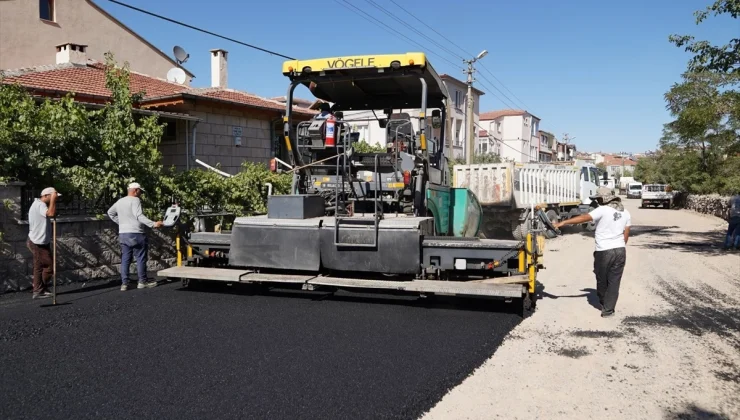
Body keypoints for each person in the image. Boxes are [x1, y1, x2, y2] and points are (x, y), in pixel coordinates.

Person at [553, 195, 631, 318]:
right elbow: (626, 234)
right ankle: (608, 310)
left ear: (604, 200)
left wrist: (563, 222)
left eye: (599, 199)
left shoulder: (603, 210)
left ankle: (604, 302)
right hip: (620, 250)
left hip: (604, 251)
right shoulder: (625, 212)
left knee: (601, 279)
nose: (598, 202)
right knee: (614, 281)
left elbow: (584, 217)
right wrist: (620, 246)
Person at [107, 182, 163, 291]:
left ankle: (125, 284)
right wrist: (153, 224)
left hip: (123, 233)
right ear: (135, 190)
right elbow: (138, 215)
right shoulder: (135, 200)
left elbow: (110, 212)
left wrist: (121, 223)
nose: (141, 193)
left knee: (125, 259)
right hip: (136, 233)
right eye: (140, 191)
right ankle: (142, 281)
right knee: (141, 257)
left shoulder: (120, 201)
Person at [27, 187, 60, 299]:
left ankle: (39, 289)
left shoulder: (37, 204)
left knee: (39, 266)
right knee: (49, 267)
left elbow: (49, 215)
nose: (55, 199)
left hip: (39, 240)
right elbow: (50, 214)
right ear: (46, 195)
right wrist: (53, 201)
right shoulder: (40, 205)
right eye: (53, 196)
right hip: (37, 242)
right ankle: (39, 289)